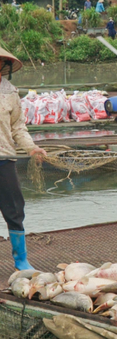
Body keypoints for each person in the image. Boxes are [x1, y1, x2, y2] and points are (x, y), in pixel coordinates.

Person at [0, 47, 47, 270]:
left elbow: (18, 126)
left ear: (4, 66)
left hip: (4, 158)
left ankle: (21, 260)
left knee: (14, 208)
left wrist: (31, 148)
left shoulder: (10, 92)